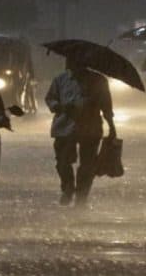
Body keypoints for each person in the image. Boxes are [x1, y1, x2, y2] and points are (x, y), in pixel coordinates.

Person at [45, 58, 116, 207]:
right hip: (64, 126)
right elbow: (50, 98)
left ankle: (82, 196)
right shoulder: (60, 79)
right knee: (63, 161)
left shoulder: (99, 80)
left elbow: (106, 105)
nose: (70, 64)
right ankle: (68, 187)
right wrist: (60, 107)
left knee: (88, 164)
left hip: (90, 127)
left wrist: (112, 126)